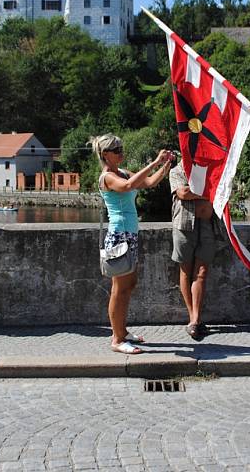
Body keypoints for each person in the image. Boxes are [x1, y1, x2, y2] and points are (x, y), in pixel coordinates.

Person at [92, 134, 173, 354]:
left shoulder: (123, 172)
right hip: (119, 236)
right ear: (105, 154)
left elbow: (149, 182)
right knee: (119, 288)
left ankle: (122, 331)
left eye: (121, 148)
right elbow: (128, 186)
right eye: (116, 149)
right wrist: (155, 162)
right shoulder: (107, 177)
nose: (121, 152)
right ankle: (117, 340)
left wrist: (165, 166)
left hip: (130, 235)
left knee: (129, 285)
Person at [169, 160, 224, 341]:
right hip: (184, 225)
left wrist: (199, 193)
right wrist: (207, 192)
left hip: (207, 226)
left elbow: (221, 190)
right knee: (185, 271)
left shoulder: (210, 168)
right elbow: (183, 193)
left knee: (201, 273)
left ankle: (196, 319)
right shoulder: (177, 170)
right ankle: (194, 318)